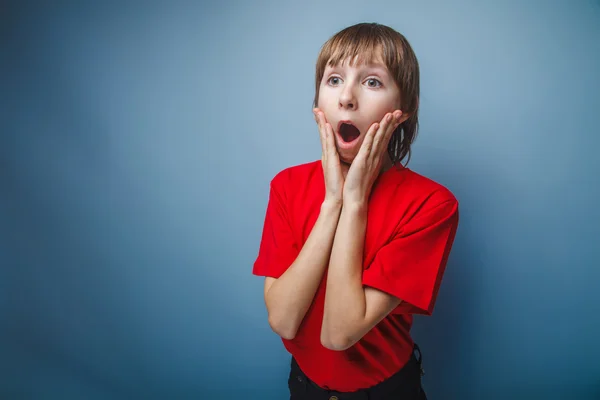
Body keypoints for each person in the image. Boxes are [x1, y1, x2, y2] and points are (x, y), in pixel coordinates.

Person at [252, 22, 459, 400]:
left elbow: (338, 333)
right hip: (304, 387)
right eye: (333, 79)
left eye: (372, 82)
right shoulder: (287, 186)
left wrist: (356, 202)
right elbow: (282, 321)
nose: (346, 97)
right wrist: (333, 203)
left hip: (387, 392)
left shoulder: (432, 205)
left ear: (405, 108)